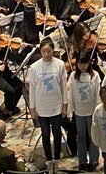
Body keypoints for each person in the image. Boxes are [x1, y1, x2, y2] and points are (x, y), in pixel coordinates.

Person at [28, 38, 68, 170]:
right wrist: (32, 109)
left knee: (57, 133)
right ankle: (49, 159)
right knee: (45, 134)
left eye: (49, 51)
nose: (46, 54)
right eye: (44, 51)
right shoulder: (34, 67)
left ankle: (56, 157)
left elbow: (63, 86)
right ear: (40, 51)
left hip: (56, 104)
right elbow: (32, 89)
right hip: (41, 106)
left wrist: (64, 105)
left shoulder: (60, 64)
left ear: (53, 51)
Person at [68, 50, 101, 171]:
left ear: (89, 63)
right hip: (79, 111)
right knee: (81, 135)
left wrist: (98, 110)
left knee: (93, 136)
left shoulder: (95, 75)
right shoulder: (73, 76)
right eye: (80, 63)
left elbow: (97, 94)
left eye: (84, 63)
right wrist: (70, 111)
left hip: (91, 111)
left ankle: (94, 160)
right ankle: (82, 160)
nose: (82, 66)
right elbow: (70, 94)